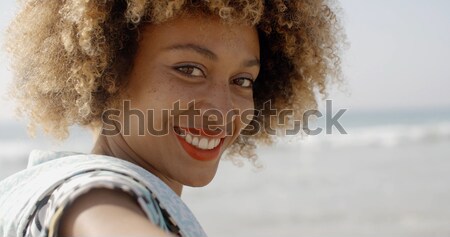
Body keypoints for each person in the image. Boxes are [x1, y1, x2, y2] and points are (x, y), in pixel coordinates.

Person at [0, 0, 344, 236]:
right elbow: (96, 213)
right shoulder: (90, 190)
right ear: (110, 73)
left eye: (242, 81)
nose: (222, 110)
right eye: (189, 69)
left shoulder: (44, 181)